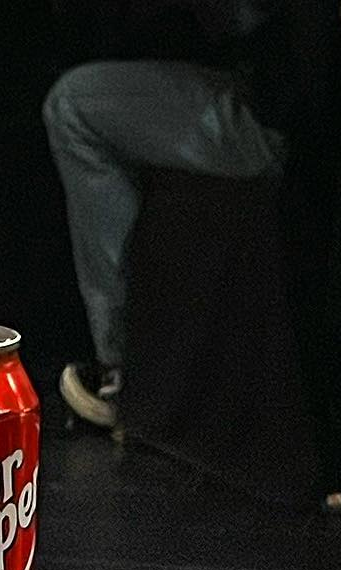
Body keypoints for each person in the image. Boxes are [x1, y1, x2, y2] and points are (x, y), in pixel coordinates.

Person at [44, 1, 289, 428]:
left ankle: (122, 370)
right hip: (277, 89)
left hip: (278, 115)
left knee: (73, 108)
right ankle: (137, 364)